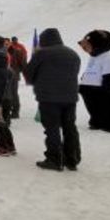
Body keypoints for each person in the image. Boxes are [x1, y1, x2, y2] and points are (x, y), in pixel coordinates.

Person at [24, 28, 81, 171]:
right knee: (70, 128)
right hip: (70, 98)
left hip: (49, 98)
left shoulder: (42, 54)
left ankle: (55, 159)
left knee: (52, 128)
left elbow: (29, 75)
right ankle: (72, 159)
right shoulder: (72, 53)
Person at [78, 29, 110, 133]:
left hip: (108, 89)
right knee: (94, 108)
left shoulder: (106, 58)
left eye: (86, 46)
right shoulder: (93, 57)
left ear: (98, 47)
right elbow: (91, 70)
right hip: (90, 89)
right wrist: (84, 80)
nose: (83, 48)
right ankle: (97, 122)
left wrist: (108, 86)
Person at [6, 36, 29, 118]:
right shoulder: (0, 51)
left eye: (7, 43)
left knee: (13, 93)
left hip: (14, 75)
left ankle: (15, 111)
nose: (6, 45)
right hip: (2, 76)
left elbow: (23, 63)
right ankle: (6, 111)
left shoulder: (18, 49)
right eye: (4, 43)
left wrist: (26, 75)